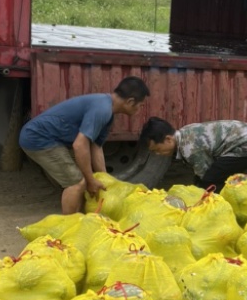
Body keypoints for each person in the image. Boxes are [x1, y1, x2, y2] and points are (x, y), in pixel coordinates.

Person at [19, 77, 150, 214]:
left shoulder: (108, 112)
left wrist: (105, 180)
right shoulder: (102, 109)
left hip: (53, 140)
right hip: (38, 138)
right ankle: (70, 228)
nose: (139, 110)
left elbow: (96, 147)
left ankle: (80, 219)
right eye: (140, 105)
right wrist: (90, 179)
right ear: (130, 102)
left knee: (83, 180)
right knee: (76, 183)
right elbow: (80, 145)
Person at [139, 116, 247, 192]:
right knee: (213, 175)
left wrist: (198, 193)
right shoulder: (184, 133)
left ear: (168, 139)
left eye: (157, 149)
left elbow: (205, 174)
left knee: (211, 179)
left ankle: (225, 203)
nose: (158, 154)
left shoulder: (190, 149)